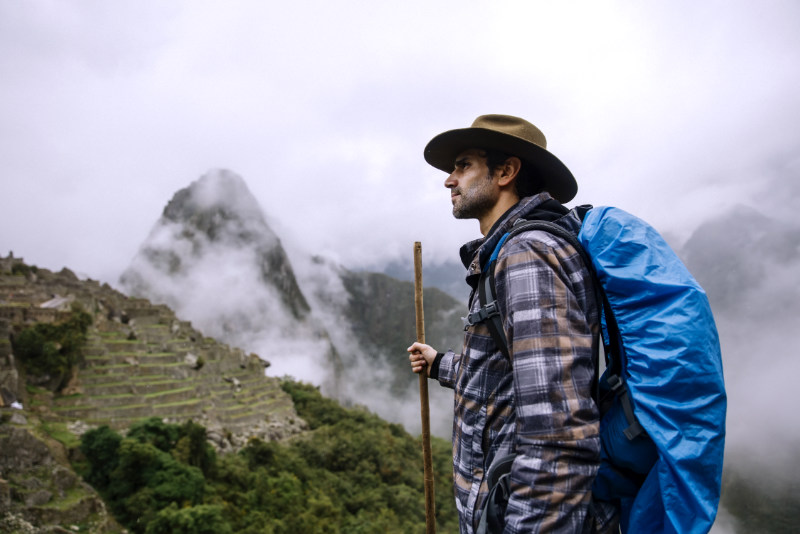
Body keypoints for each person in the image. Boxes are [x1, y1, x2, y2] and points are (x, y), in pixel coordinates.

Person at [408, 115, 612, 533]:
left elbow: (557, 435)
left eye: (463, 165)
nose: (449, 180)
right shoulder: (509, 252)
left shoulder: (526, 255)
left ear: (505, 172)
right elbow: (506, 378)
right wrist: (438, 364)